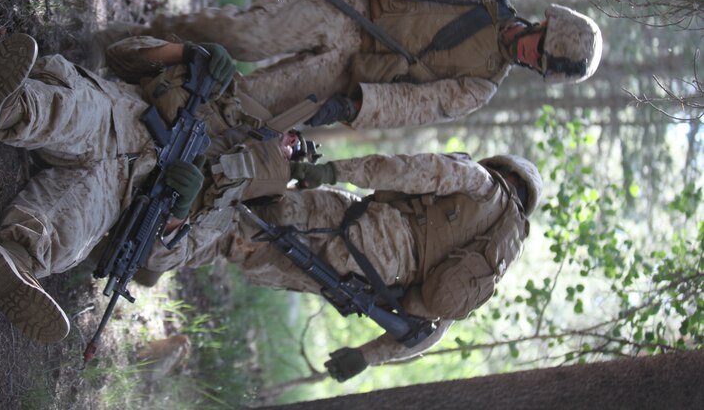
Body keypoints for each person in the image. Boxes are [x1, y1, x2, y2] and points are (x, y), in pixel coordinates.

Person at [0, 33, 308, 343]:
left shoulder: (222, 215)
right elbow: (122, 54)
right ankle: (7, 108)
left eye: (294, 153)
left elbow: (161, 257)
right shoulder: (223, 88)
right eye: (294, 138)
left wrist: (179, 212)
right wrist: (185, 52)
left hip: (122, 190)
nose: (290, 144)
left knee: (72, 229)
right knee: (73, 111)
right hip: (122, 117)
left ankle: (14, 262)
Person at [92, 0, 603, 131]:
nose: (531, 60)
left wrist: (350, 109)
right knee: (241, 37)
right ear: (544, 25)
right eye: (540, 50)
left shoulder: (480, 88)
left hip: (344, 76)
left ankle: (130, 91)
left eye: (540, 67)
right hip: (347, 12)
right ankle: (132, 37)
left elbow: (415, 106)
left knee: (240, 99)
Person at [143, 151, 543, 381]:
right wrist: (366, 357)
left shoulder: (481, 183)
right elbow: (430, 328)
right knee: (242, 245)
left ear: (506, 171)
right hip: (360, 280)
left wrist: (334, 170)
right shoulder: (494, 256)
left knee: (243, 211)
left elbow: (403, 169)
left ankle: (149, 235)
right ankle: (155, 250)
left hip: (354, 227)